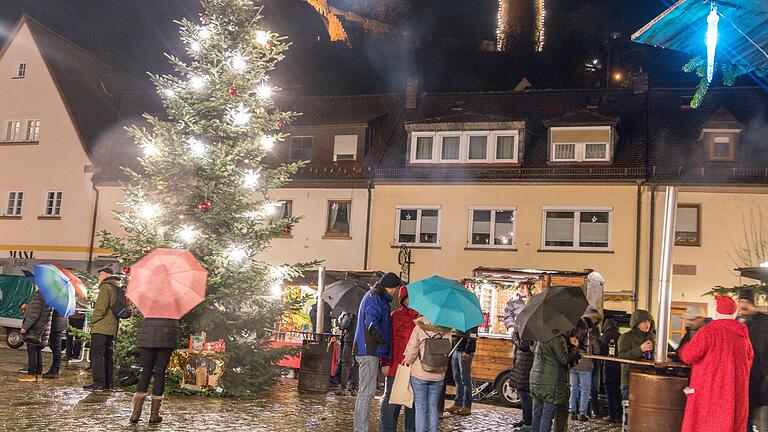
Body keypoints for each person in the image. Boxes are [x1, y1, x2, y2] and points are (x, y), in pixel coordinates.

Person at [679, 295, 753, 432]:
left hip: (709, 391)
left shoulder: (709, 331)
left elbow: (688, 356)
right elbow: (750, 358)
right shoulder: (743, 336)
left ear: (717, 312)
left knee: (705, 425)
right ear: (734, 313)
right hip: (735, 393)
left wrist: (684, 347)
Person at [353, 272, 402, 432]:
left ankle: (361, 428)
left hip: (369, 349)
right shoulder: (375, 297)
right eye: (395, 288)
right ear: (389, 287)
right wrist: (383, 343)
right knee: (366, 392)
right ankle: (361, 429)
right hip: (368, 350)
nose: (396, 292)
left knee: (367, 391)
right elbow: (372, 323)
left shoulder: (378, 297)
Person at [402, 316, 451, 432]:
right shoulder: (448, 329)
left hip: (419, 374)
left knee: (420, 407)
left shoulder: (419, 327)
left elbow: (412, 352)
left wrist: (407, 361)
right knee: (433, 406)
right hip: (439, 374)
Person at [380, 286, 418, 431]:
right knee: (392, 403)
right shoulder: (394, 316)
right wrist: (385, 362)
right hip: (396, 365)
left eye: (410, 298)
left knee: (412, 404)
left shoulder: (420, 318)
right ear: (402, 299)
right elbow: (387, 340)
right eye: (406, 298)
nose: (409, 301)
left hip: (415, 367)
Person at [130, 317, 179, 424]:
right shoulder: (172, 304)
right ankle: (154, 415)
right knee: (160, 373)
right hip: (166, 339)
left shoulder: (149, 302)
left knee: (145, 372)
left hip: (147, 338)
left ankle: (135, 414)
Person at [529, 332, 579, 432]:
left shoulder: (539, 336)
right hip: (549, 381)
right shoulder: (557, 338)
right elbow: (564, 360)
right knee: (547, 413)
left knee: (537, 412)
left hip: (536, 377)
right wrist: (574, 347)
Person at [84, 268, 122, 391]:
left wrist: (93, 321)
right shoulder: (117, 287)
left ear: (105, 275)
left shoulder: (106, 287)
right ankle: (108, 383)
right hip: (112, 327)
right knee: (107, 355)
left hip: (101, 327)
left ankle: (99, 383)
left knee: (97, 355)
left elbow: (100, 308)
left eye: (99, 274)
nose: (98, 277)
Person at [738, 288, 768, 431]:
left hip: (761, 380)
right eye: (740, 301)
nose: (742, 305)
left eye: (745, 302)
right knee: (746, 421)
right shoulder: (738, 322)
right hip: (744, 379)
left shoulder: (764, 322)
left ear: (752, 303)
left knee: (762, 422)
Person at [569, 307, 602, 422]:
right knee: (584, 390)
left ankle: (572, 411)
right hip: (585, 366)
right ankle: (582, 412)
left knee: (573, 389)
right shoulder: (590, 335)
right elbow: (597, 351)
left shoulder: (575, 328)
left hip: (573, 365)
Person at [618, 309, 655, 400]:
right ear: (636, 322)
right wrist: (640, 349)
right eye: (644, 321)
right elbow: (622, 356)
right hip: (630, 380)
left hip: (649, 378)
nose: (647, 324)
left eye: (649, 322)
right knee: (630, 410)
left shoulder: (653, 337)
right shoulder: (626, 337)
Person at [18, 288, 53, 382]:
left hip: (35, 330)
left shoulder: (38, 296)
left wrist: (25, 327)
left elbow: (34, 315)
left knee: (32, 352)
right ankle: (38, 374)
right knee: (37, 352)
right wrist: (28, 306)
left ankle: (31, 374)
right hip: (42, 330)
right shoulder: (48, 296)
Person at [447, 325, 477, 416]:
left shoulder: (472, 317)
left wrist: (467, 351)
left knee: (465, 379)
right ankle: (458, 403)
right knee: (457, 378)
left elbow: (473, 336)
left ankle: (467, 406)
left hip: (464, 351)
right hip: (457, 349)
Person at [510, 329, 535, 431]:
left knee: (525, 395)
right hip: (523, 363)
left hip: (526, 364)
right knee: (524, 395)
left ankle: (528, 423)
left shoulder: (531, 330)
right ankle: (526, 419)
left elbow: (523, 345)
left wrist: (515, 336)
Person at [600, 319, 622, 424]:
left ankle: (613, 415)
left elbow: (602, 351)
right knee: (618, 392)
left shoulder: (606, 336)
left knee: (610, 392)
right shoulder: (620, 335)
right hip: (619, 368)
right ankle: (619, 414)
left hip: (609, 367)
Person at [335, 311, 359, 396]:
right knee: (356, 364)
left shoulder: (350, 312)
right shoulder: (363, 311)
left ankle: (343, 388)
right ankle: (355, 389)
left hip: (349, 340)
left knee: (345, 364)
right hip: (359, 340)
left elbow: (343, 326)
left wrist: (341, 317)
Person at [43, 309, 69, 378]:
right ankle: (54, 370)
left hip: (57, 324)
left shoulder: (58, 301)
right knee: (55, 348)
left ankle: (54, 371)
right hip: (61, 324)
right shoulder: (63, 302)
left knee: (56, 349)